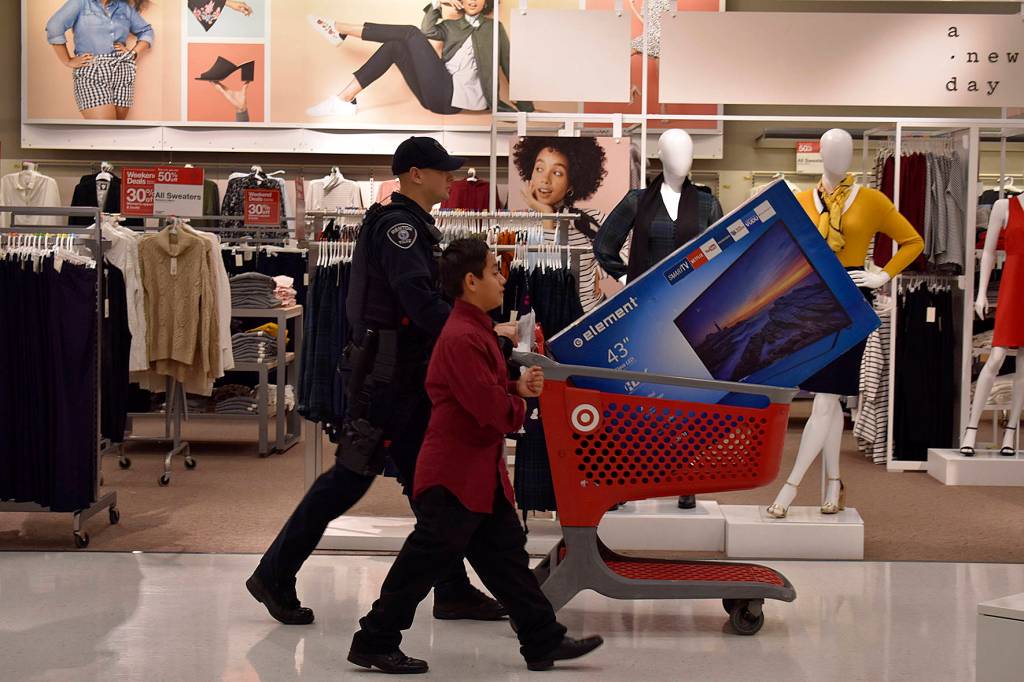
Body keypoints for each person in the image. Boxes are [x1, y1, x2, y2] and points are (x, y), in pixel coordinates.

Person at [247, 137, 517, 626]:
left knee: (433, 486)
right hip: (387, 379)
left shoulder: (410, 227)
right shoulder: (400, 230)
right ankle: (274, 572)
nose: (452, 180)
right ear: (416, 173)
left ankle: (453, 589)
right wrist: (486, 337)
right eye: (444, 172)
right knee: (350, 478)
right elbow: (419, 303)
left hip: (403, 376)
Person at [348, 238, 604, 674]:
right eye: (493, 270)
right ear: (471, 281)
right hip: (453, 476)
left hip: (473, 474)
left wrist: (514, 388)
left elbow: (482, 391)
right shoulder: (464, 336)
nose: (502, 278)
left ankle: (542, 640)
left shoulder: (474, 328)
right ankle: (374, 638)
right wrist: (521, 405)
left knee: (505, 557)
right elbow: (490, 411)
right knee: (423, 561)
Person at [305, 0, 532, 117]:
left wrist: (526, 111)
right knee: (396, 46)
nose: (473, 0)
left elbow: (509, 63)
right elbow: (427, 32)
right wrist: (438, 2)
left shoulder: (494, 29)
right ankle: (344, 99)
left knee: (409, 33)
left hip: (452, 99)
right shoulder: (452, 26)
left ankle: (339, 28)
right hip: (435, 92)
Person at [511, 136, 610, 313]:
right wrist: (546, 215)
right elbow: (546, 276)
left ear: (571, 183)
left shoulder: (590, 220)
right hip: (549, 323)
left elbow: (630, 248)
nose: (545, 179)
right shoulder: (518, 226)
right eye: (539, 169)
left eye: (557, 172)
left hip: (592, 318)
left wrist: (600, 271)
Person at [46, 0, 153, 121]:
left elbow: (146, 31)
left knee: (117, 131)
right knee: (105, 128)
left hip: (122, 71)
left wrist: (133, 53)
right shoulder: (80, 3)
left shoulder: (123, 7)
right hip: (92, 71)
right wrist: (67, 60)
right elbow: (54, 27)